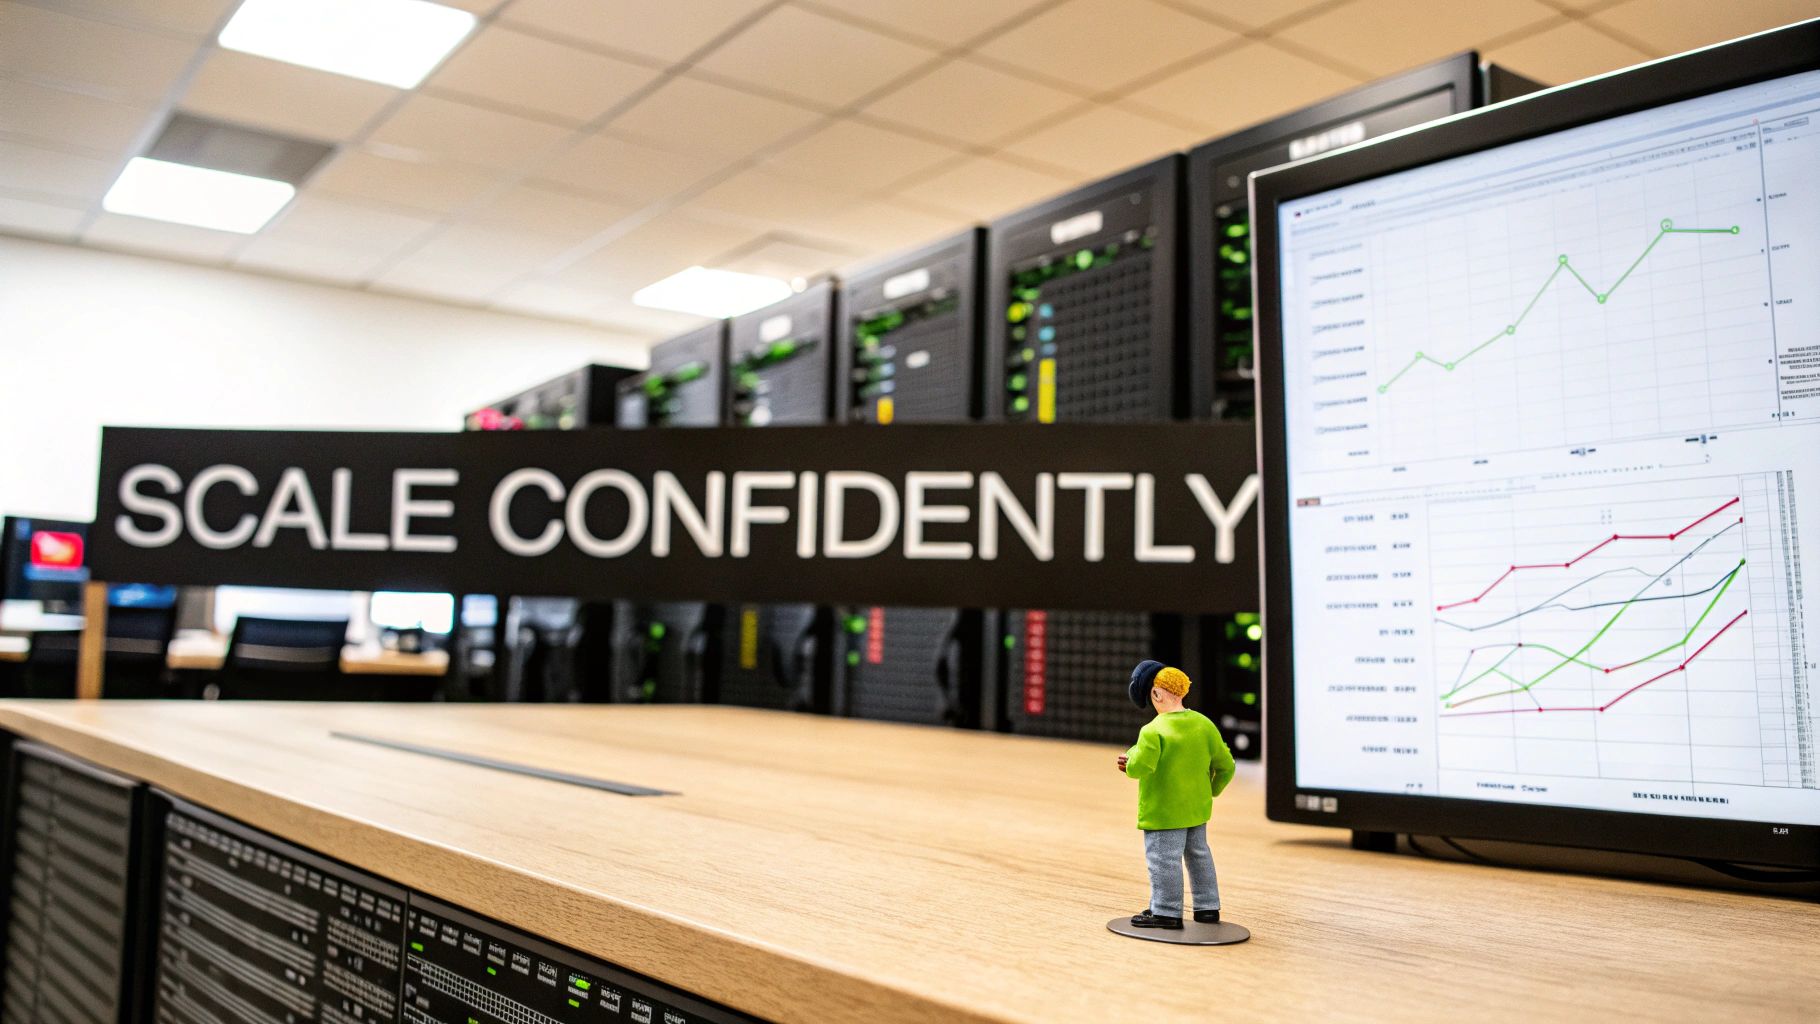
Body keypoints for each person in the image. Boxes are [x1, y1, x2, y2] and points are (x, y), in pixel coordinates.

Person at [1117, 660, 1235, 930]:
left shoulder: (1153, 731)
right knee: (1199, 855)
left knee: (1164, 859)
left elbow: (1141, 767)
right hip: (1196, 809)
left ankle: (1166, 911)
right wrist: (1211, 791)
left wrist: (1128, 762)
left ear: (1157, 694)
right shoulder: (1204, 725)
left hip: (1164, 811)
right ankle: (1208, 908)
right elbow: (1226, 766)